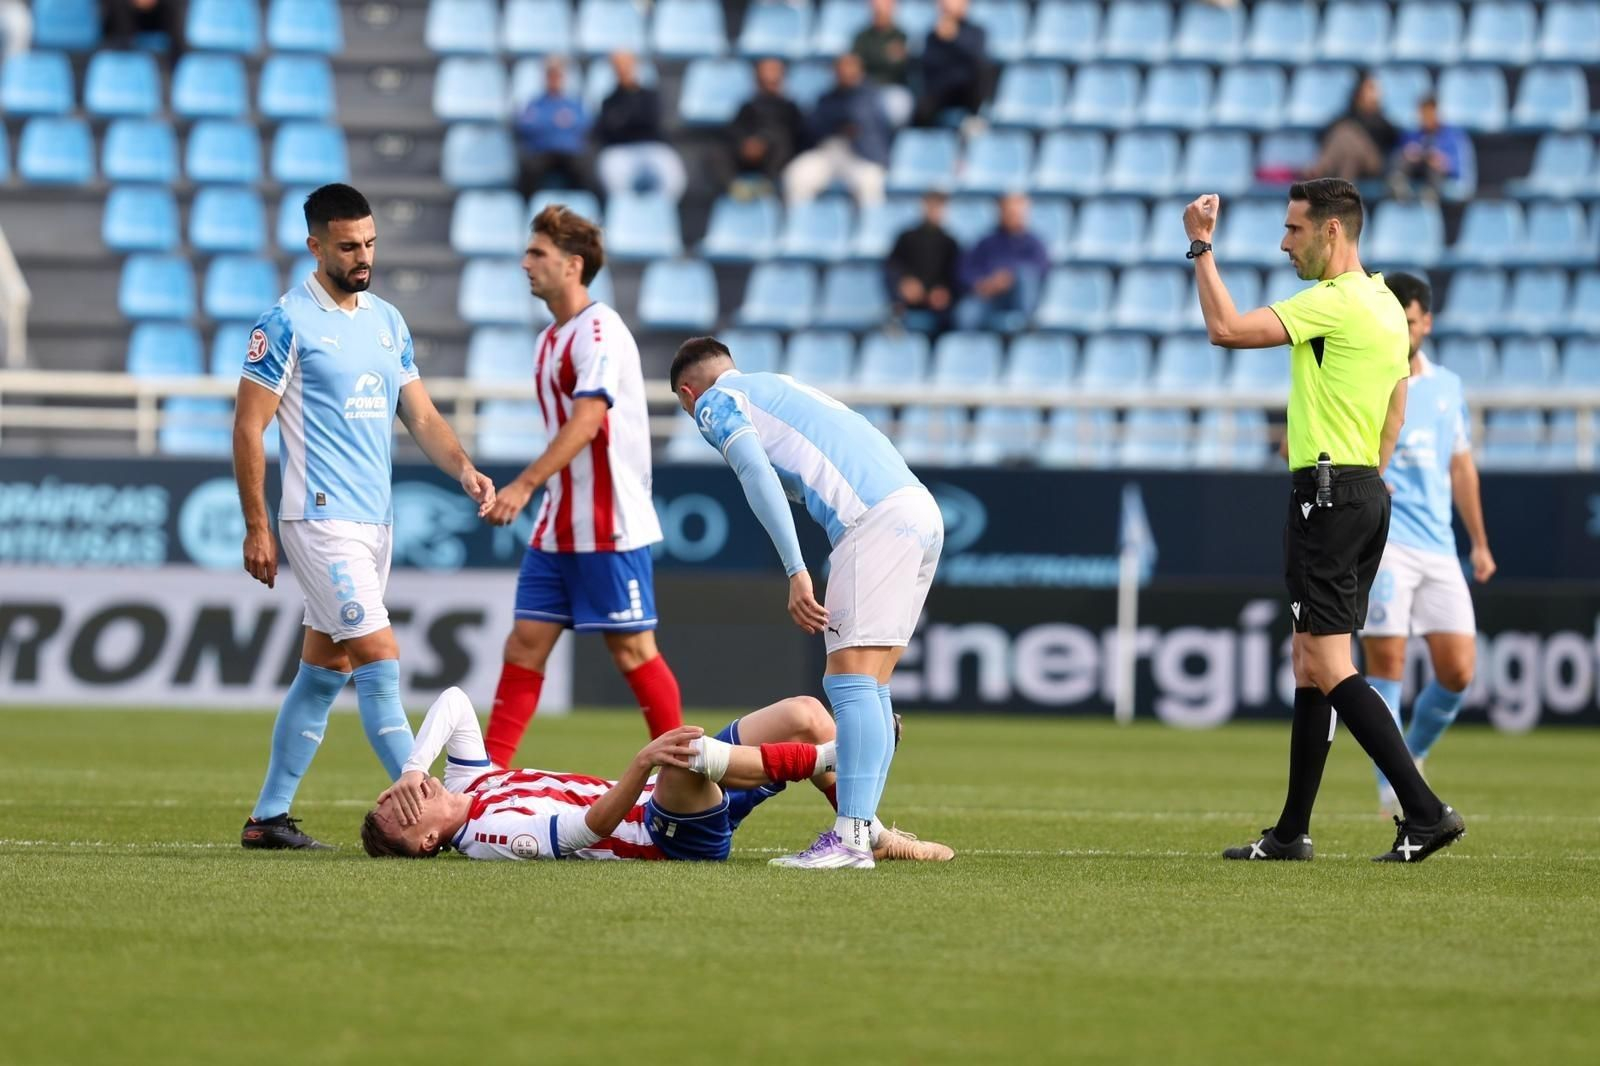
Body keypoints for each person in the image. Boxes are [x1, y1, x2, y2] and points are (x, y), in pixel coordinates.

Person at [1181, 178, 1467, 864]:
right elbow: (1396, 402)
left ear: (1331, 231)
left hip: (1328, 494)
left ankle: (1425, 811)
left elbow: (1224, 330)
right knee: (1311, 665)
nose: (1285, 243)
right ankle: (1290, 832)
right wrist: (1371, 469)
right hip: (1364, 490)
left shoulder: (1334, 303)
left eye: (1293, 230)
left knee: (1327, 664)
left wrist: (1200, 247)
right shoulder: (1384, 306)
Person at [234, 183, 496, 849]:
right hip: (319, 520)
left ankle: (268, 818)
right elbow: (248, 427)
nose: (363, 256)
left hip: (374, 524)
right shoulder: (284, 323)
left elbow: (424, 417)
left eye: (370, 243)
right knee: (380, 661)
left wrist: (463, 467)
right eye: (349, 246)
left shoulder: (386, 321)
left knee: (324, 672)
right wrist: (257, 524)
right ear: (315, 244)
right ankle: (430, 820)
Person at [669, 337, 944, 870]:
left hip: (874, 519)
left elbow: (756, 474)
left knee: (850, 682)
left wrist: (797, 571)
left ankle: (851, 839)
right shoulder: (779, 386)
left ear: (688, 392)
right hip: (919, 510)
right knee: (873, 684)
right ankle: (868, 830)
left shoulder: (715, 401)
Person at [478, 205, 682, 768]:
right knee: (524, 645)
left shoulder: (600, 329)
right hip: (558, 524)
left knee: (633, 649)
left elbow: (589, 419)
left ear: (572, 265)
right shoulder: (550, 338)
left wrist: (523, 485)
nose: (526, 263)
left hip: (609, 521)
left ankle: (690, 781)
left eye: (537, 253)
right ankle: (486, 781)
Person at [360, 686, 953, 863]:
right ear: (428, 841)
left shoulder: (466, 783)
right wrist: (642, 761)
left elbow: (457, 701)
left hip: (669, 797)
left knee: (803, 714)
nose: (413, 795)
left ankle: (864, 829)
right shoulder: (487, 837)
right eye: (407, 812)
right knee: (686, 754)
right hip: (665, 837)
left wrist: (414, 765)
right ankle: (834, 761)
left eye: (397, 794)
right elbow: (586, 829)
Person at [1361, 272, 1495, 817]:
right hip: (1385, 539)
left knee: (1459, 670)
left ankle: (1409, 755)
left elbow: (1461, 466)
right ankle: (1392, 787)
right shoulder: (1368, 377)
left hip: (1439, 545)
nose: (1403, 331)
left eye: (1410, 322)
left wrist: (1479, 542)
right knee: (1386, 660)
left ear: (1427, 323)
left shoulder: (1447, 388)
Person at [781, 52, 889, 207]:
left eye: (850, 68)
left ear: (860, 71)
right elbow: (813, 127)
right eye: (841, 69)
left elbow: (870, 126)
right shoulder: (826, 98)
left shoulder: (870, 96)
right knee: (796, 176)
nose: (845, 73)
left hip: (860, 154)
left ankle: (871, 228)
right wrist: (838, 123)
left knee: (870, 181)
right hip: (828, 151)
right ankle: (801, 225)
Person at [594, 50, 687, 202]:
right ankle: (625, 214)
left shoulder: (650, 95)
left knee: (672, 178)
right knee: (611, 172)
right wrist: (629, 121)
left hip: (652, 147)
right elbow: (606, 131)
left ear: (634, 66)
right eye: (618, 66)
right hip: (621, 150)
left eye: (626, 65)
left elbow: (651, 122)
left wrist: (623, 121)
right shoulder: (609, 100)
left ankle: (661, 213)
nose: (622, 70)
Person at [954, 192, 1050, 333]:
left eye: (1016, 213)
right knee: (965, 313)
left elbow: (1042, 268)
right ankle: (972, 352)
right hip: (989, 297)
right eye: (1008, 212)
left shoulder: (1034, 243)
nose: (1012, 216)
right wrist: (983, 283)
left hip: (1018, 296)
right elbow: (965, 271)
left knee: (1025, 275)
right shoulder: (985, 242)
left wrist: (1009, 277)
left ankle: (1026, 327)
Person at [722, 57, 808, 198]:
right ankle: (735, 188)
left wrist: (764, 143)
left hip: (776, 158)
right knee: (717, 152)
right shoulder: (747, 106)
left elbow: (798, 135)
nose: (769, 78)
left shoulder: (790, 107)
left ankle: (767, 186)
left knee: (781, 142)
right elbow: (734, 130)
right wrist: (746, 144)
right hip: (747, 154)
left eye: (774, 73)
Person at [513, 57, 596, 201]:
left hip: (569, 152)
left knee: (586, 172)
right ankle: (525, 208)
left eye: (558, 75)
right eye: (551, 75)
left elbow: (584, 125)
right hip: (542, 152)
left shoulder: (574, 103)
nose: (554, 79)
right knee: (528, 171)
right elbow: (525, 126)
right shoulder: (536, 103)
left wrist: (547, 124)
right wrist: (557, 122)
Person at [885, 190, 961, 334]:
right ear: (923, 206)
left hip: (940, 308)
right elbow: (892, 268)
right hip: (908, 303)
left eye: (938, 207)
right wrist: (903, 285)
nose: (934, 211)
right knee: (892, 319)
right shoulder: (906, 237)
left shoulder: (950, 243)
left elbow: (956, 276)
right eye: (931, 206)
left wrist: (945, 292)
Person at [1309, 72, 1398, 183]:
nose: (1376, 93)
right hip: (1349, 159)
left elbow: (1391, 138)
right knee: (1350, 153)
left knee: (1346, 133)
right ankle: (1343, 191)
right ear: (1359, 91)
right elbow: (1324, 134)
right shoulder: (1349, 114)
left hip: (1373, 163)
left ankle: (1320, 169)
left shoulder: (1380, 119)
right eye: (1370, 89)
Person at [915, 0, 987, 128]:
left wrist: (954, 38)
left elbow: (976, 58)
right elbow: (928, 64)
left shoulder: (976, 31)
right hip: (941, 92)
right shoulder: (932, 35)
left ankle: (974, 118)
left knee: (983, 71)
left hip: (965, 93)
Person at [1388, 97, 1470, 202]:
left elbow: (1458, 166)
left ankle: (1429, 195)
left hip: (1437, 176)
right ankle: (1398, 186)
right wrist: (1409, 154)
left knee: (1434, 167)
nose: (1426, 118)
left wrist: (1442, 162)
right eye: (1423, 114)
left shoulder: (1452, 136)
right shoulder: (1412, 134)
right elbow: (1400, 152)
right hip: (1415, 171)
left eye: (1429, 113)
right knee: (1401, 156)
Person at [851, 0, 913, 127]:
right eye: (876, 5)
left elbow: (902, 67)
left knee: (896, 109)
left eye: (884, 5)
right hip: (867, 88)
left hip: (894, 89)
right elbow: (856, 68)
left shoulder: (902, 36)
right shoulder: (862, 37)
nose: (880, 10)